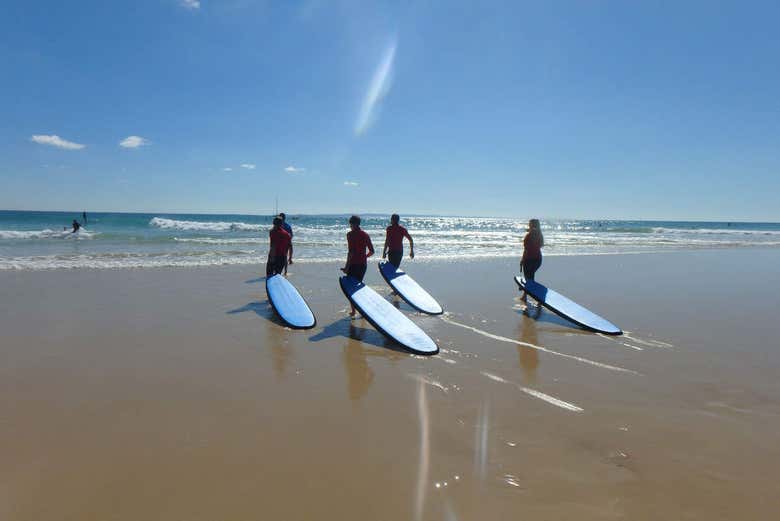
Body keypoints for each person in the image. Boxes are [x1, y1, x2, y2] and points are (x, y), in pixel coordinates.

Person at [341, 215, 375, 317]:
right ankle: (361, 310)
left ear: (353, 224)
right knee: (357, 288)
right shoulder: (365, 235)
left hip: (353, 265)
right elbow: (372, 251)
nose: (350, 226)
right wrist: (364, 257)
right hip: (363, 265)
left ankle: (354, 311)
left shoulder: (350, 235)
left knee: (351, 289)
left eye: (350, 224)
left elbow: (350, 253)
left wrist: (346, 267)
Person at [519, 218, 544, 302]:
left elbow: (526, 250)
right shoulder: (540, 235)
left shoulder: (529, 236)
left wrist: (522, 260)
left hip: (529, 259)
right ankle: (526, 296)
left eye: (529, 224)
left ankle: (535, 298)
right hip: (538, 259)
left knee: (529, 279)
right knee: (530, 278)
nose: (528, 225)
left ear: (531, 225)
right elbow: (540, 246)